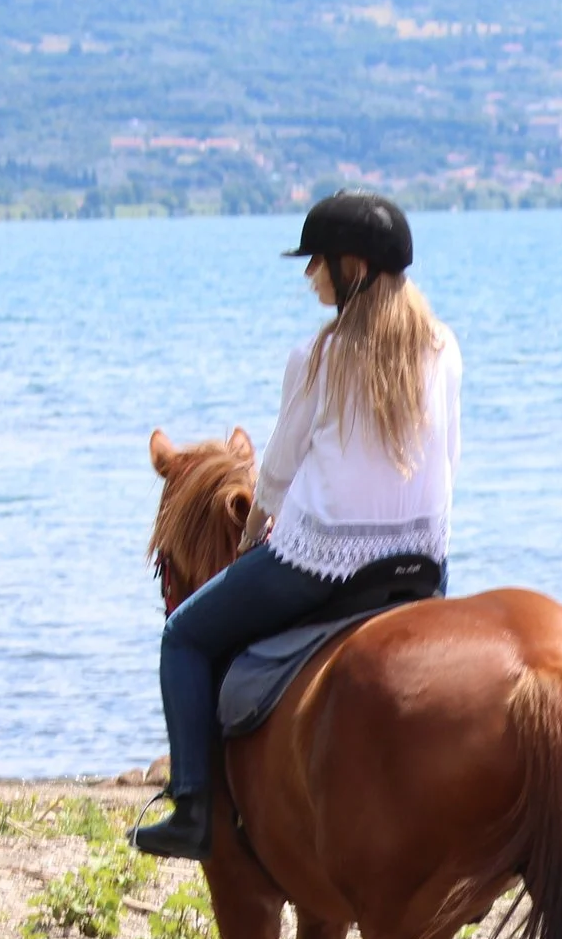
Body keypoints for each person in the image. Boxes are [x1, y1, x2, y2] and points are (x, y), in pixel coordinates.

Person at [134, 191, 462, 861]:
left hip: (323, 563)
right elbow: (449, 454)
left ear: (352, 268)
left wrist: (254, 538)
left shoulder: (317, 357)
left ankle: (192, 807)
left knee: (185, 637)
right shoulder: (443, 346)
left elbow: (278, 472)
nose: (310, 275)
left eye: (316, 262)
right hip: (424, 564)